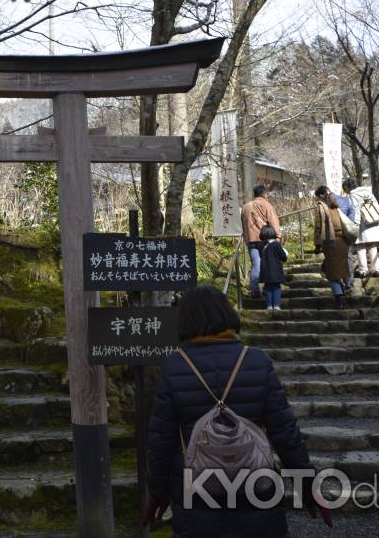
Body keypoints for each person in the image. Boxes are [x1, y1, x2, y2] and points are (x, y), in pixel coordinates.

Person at [140, 286, 331, 537]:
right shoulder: (257, 360)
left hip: (197, 492)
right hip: (255, 487)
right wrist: (307, 485)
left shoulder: (175, 366)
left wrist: (158, 492)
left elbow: (161, 439)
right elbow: (285, 432)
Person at [314, 185, 352, 307]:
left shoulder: (321, 206)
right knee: (341, 269)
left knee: (331, 273)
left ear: (320, 196)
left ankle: (339, 299)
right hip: (343, 242)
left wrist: (317, 244)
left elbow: (318, 226)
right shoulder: (336, 205)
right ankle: (344, 288)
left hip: (331, 242)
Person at [241, 184, 280, 299]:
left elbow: (243, 223)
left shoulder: (246, 207)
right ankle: (268, 289)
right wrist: (277, 238)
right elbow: (274, 223)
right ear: (264, 194)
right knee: (268, 264)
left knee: (256, 264)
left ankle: (254, 290)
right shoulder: (267, 205)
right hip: (266, 241)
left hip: (251, 241)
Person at [343, 177, 379, 277]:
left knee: (360, 246)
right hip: (373, 221)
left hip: (363, 224)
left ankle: (363, 271)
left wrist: (354, 225)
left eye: (345, 189)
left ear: (348, 187)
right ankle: (376, 270)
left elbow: (356, 210)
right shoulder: (367, 191)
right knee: (372, 246)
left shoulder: (353, 194)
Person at [259, 224, 287, 310]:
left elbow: (261, 256)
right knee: (276, 287)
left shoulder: (261, 245)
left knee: (267, 288)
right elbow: (283, 257)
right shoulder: (276, 244)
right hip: (276, 271)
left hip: (265, 271)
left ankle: (269, 305)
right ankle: (276, 305)